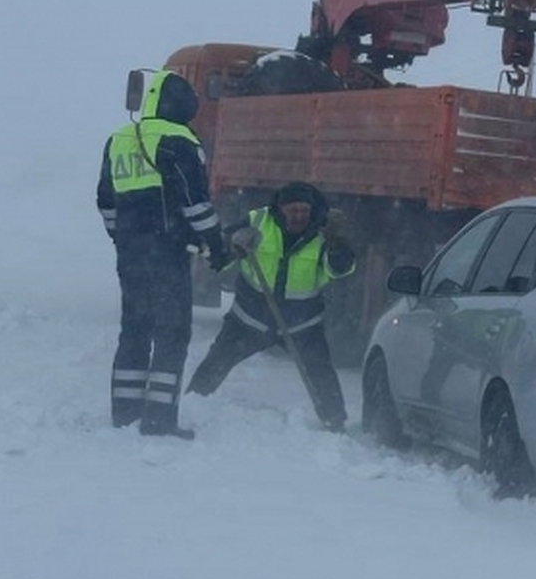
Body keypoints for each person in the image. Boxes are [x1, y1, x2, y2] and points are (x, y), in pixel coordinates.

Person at [97, 70, 230, 439]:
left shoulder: (119, 139)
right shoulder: (179, 141)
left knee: (135, 330)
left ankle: (124, 413)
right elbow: (195, 204)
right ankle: (159, 418)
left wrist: (122, 238)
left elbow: (106, 202)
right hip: (167, 252)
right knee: (172, 334)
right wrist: (215, 246)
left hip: (130, 254)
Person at [186, 181, 354, 432]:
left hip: (302, 324)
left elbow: (340, 270)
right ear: (280, 209)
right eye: (293, 210)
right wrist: (234, 244)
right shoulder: (258, 221)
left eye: (303, 211)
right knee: (217, 361)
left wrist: (338, 244)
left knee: (320, 373)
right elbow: (218, 257)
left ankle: (335, 422)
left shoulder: (323, 232)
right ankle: (190, 406)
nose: (298, 217)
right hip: (250, 319)